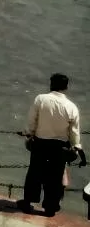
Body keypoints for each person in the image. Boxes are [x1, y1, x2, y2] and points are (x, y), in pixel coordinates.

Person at [20, 73, 83, 217]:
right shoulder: (72, 107)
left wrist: (29, 134)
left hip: (40, 143)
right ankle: (50, 208)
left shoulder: (41, 99)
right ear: (66, 87)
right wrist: (76, 147)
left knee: (34, 174)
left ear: (51, 84)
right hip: (60, 147)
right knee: (55, 178)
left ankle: (28, 202)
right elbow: (74, 132)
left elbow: (32, 121)